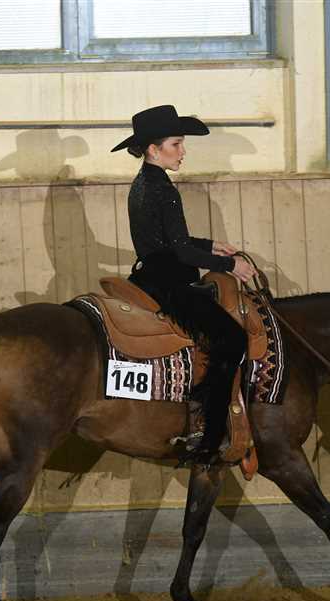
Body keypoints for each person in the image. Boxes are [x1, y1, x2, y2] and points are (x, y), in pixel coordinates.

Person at [112, 105, 256, 464]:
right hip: (169, 284)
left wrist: (210, 245)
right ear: (153, 149)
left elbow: (168, 241)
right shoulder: (163, 189)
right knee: (233, 340)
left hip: (148, 276)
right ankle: (210, 435)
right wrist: (231, 265)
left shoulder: (144, 183)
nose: (182, 152)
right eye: (176, 144)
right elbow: (180, 252)